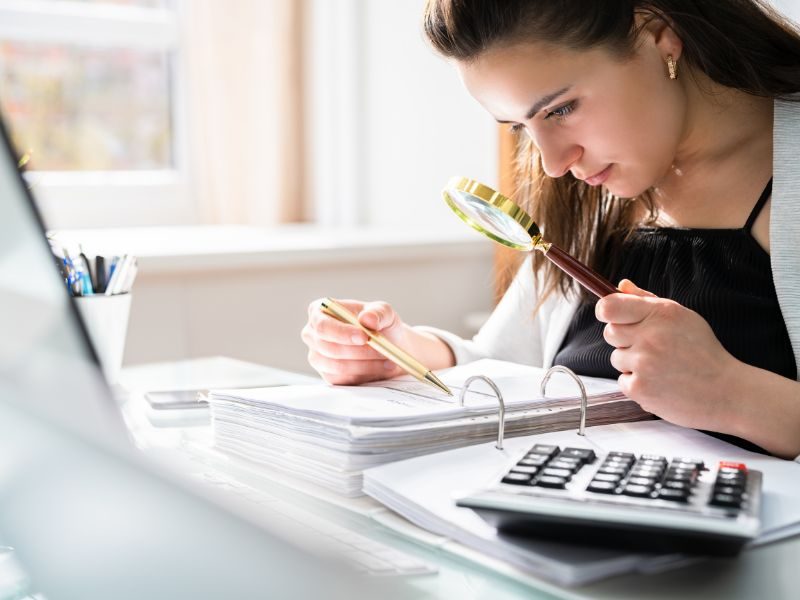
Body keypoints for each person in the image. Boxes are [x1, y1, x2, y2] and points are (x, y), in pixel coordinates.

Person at [302, 0, 800, 460]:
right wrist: (403, 353)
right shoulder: (589, 192)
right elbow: (503, 361)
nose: (555, 163)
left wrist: (731, 393)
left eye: (561, 109)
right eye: (520, 127)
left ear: (658, 35)